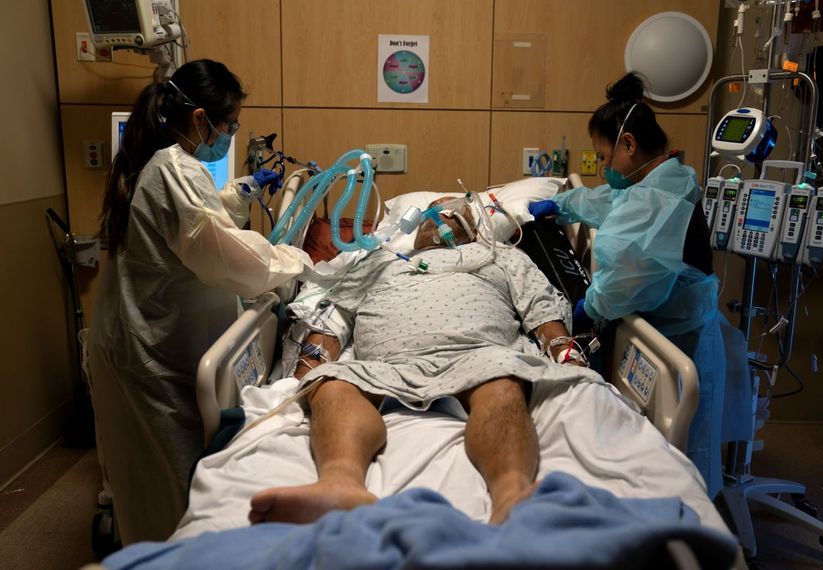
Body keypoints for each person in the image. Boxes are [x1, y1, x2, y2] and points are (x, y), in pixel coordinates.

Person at [248, 197, 591, 526]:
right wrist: (303, 375)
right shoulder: (380, 260)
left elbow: (540, 308)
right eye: (432, 214)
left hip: (479, 355)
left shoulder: (499, 256)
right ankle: (340, 484)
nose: (440, 219)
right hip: (385, 363)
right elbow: (334, 315)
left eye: (454, 213)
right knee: (333, 386)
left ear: (474, 227)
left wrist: (567, 357)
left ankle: (511, 494)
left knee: (503, 387)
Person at [86, 59, 312, 543]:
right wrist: (295, 262)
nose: (229, 134)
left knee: (151, 473)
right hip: (153, 350)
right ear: (199, 119)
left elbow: (194, 218)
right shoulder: (172, 167)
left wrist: (241, 192)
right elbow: (226, 258)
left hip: (146, 335)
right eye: (229, 125)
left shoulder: (161, 163)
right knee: (171, 478)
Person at [529, 72, 728, 498]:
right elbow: (610, 203)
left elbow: (629, 272)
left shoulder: (662, 195)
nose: (602, 168)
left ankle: (709, 540)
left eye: (603, 156)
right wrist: (562, 206)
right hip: (663, 327)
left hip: (684, 335)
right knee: (654, 453)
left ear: (629, 145)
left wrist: (593, 305)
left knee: (689, 460)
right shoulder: (651, 181)